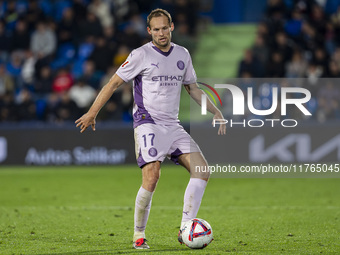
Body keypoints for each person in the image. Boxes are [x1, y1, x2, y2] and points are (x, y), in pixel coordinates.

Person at [75, 8, 226, 249]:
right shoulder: (140, 55)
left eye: (164, 28)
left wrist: (215, 110)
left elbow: (193, 88)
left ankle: (185, 228)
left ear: (171, 27)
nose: (161, 33)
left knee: (202, 170)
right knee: (152, 176)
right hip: (148, 123)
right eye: (156, 29)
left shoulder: (183, 54)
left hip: (172, 125)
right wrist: (92, 112)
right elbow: (113, 83)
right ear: (149, 31)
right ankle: (139, 234)